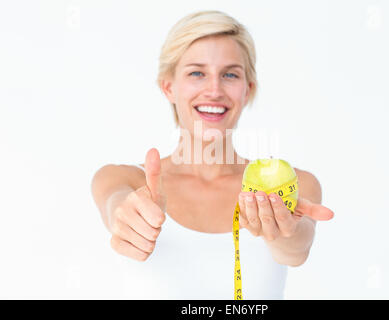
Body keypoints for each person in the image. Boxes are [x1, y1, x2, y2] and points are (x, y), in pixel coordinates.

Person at [91, 10, 334, 299]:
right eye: (197, 73)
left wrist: (287, 231)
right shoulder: (125, 179)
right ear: (169, 87)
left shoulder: (293, 185)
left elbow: (295, 252)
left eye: (230, 75)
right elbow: (114, 205)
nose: (214, 90)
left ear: (247, 90)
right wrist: (126, 216)